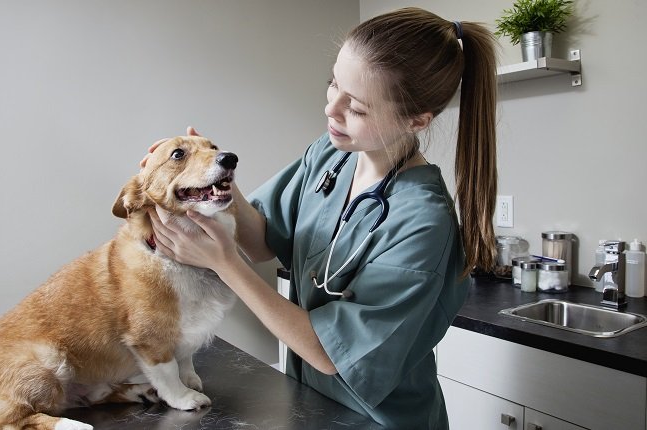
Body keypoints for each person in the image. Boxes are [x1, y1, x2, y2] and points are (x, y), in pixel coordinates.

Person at [146, 7, 498, 429]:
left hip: (377, 419)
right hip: (311, 406)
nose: (332, 108)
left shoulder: (423, 225)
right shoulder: (332, 155)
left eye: (358, 108)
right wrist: (215, 177)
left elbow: (330, 354)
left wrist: (223, 263)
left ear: (416, 120)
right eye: (333, 83)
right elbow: (261, 242)